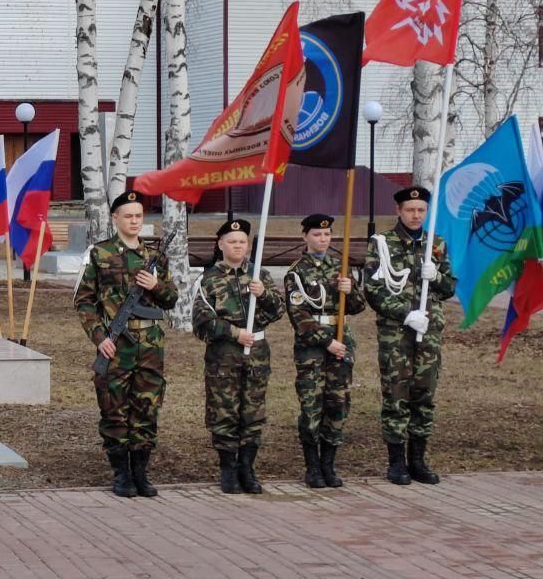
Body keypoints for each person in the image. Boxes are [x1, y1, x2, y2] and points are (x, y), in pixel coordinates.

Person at [74, 190, 179, 498]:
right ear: (115, 218)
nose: (134, 221)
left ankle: (141, 472)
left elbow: (172, 298)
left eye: (138, 216)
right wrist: (100, 337)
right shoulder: (100, 253)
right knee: (114, 407)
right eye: (128, 216)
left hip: (150, 345)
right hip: (116, 344)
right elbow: (83, 301)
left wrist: (156, 285)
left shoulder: (154, 257)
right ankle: (121, 473)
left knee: (147, 407)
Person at [364, 186, 456, 486]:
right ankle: (396, 462)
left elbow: (449, 288)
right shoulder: (382, 244)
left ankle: (418, 460)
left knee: (424, 395)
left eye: (421, 210)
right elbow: (374, 290)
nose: (416, 215)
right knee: (396, 396)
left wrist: (436, 275)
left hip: (428, 333)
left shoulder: (435, 244)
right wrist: (405, 314)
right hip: (396, 335)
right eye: (410, 210)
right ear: (398, 211)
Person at [191, 218, 284, 495]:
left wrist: (264, 294)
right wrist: (233, 332)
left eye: (242, 242)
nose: (238, 246)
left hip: (256, 356)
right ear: (220, 245)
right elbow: (201, 322)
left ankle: (247, 468)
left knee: (253, 413)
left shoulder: (259, 275)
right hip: (224, 357)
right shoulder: (208, 279)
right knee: (224, 413)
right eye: (232, 242)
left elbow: (277, 312)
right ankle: (228, 469)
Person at [284, 214, 365, 489]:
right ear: (305, 236)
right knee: (311, 406)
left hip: (341, 340)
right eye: (317, 234)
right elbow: (299, 315)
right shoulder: (296, 271)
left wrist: (350, 289)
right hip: (313, 348)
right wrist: (326, 341)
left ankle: (329, 465)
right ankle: (313, 467)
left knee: (337, 403)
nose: (323, 239)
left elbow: (357, 307)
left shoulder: (340, 266)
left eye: (328, 234)